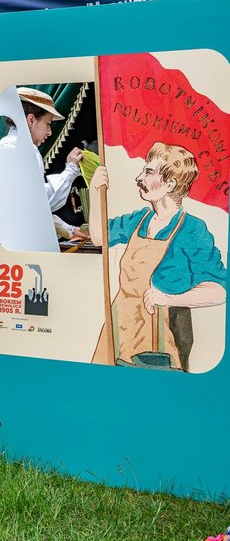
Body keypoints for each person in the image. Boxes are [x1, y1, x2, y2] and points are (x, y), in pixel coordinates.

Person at [89, 143, 226, 371]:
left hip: (161, 338)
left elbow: (221, 290)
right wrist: (95, 191)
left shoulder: (192, 230)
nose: (139, 178)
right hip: (120, 326)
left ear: (170, 183)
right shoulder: (139, 219)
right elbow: (99, 238)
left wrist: (169, 299)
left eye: (149, 172)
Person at [0, 87, 87, 241]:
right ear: (31, 120)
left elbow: (26, 206)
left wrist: (67, 229)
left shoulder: (5, 144)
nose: (49, 132)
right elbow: (39, 203)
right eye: (48, 124)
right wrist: (71, 170)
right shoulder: (24, 148)